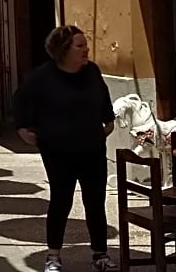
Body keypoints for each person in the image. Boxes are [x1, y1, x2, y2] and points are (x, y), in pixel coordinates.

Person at [13, 25, 117, 272]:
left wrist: (109, 121)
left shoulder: (92, 71)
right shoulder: (43, 77)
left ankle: (100, 254)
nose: (86, 49)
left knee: (95, 201)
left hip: (91, 148)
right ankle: (53, 256)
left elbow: (102, 97)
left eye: (85, 44)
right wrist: (22, 129)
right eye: (79, 46)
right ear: (63, 50)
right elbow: (20, 101)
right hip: (58, 151)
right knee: (61, 200)